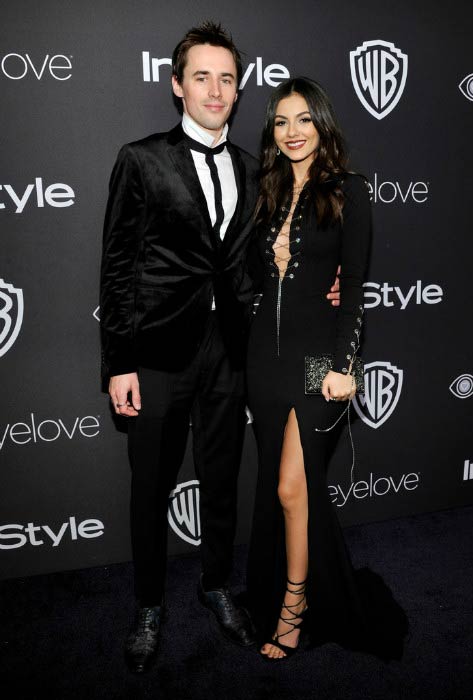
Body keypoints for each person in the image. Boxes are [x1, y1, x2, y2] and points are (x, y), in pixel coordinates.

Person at [100, 23, 341, 672]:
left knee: (222, 481)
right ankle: (149, 605)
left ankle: (215, 587)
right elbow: (117, 268)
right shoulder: (140, 159)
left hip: (232, 354)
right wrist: (118, 362)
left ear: (239, 91)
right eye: (200, 76)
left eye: (227, 78)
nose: (215, 89)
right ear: (176, 84)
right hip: (155, 354)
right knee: (149, 488)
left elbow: (261, 266)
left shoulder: (252, 170)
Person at [245, 77, 407, 660]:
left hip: (320, 360)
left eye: (303, 120)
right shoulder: (262, 189)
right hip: (264, 357)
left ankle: (295, 604)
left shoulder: (348, 190)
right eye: (282, 121)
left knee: (294, 486)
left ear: (322, 123)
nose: (292, 132)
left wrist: (345, 365)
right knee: (279, 487)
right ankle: (290, 587)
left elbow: (356, 290)